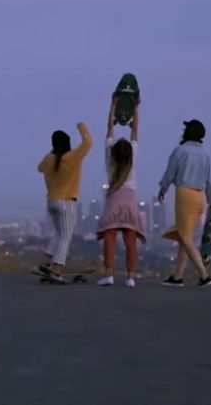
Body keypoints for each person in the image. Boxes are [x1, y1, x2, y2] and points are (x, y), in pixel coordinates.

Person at [158, 119, 211, 288]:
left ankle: (204, 275)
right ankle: (178, 276)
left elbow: (170, 172)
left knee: (185, 237)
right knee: (185, 236)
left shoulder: (180, 151)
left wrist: (163, 188)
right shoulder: (205, 155)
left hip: (185, 195)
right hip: (200, 197)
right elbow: (209, 181)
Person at [96, 95, 146, 287]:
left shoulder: (110, 156)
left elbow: (109, 128)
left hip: (114, 197)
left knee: (110, 237)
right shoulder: (133, 156)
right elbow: (135, 130)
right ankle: (130, 277)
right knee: (130, 239)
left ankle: (108, 274)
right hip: (130, 198)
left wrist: (113, 106)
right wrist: (136, 109)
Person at [33, 122, 93, 283]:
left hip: (51, 202)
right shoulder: (72, 157)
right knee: (66, 236)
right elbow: (88, 142)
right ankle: (57, 269)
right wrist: (82, 127)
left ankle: (45, 263)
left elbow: (39, 168)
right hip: (67, 202)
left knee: (59, 234)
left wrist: (52, 152)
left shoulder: (48, 159)